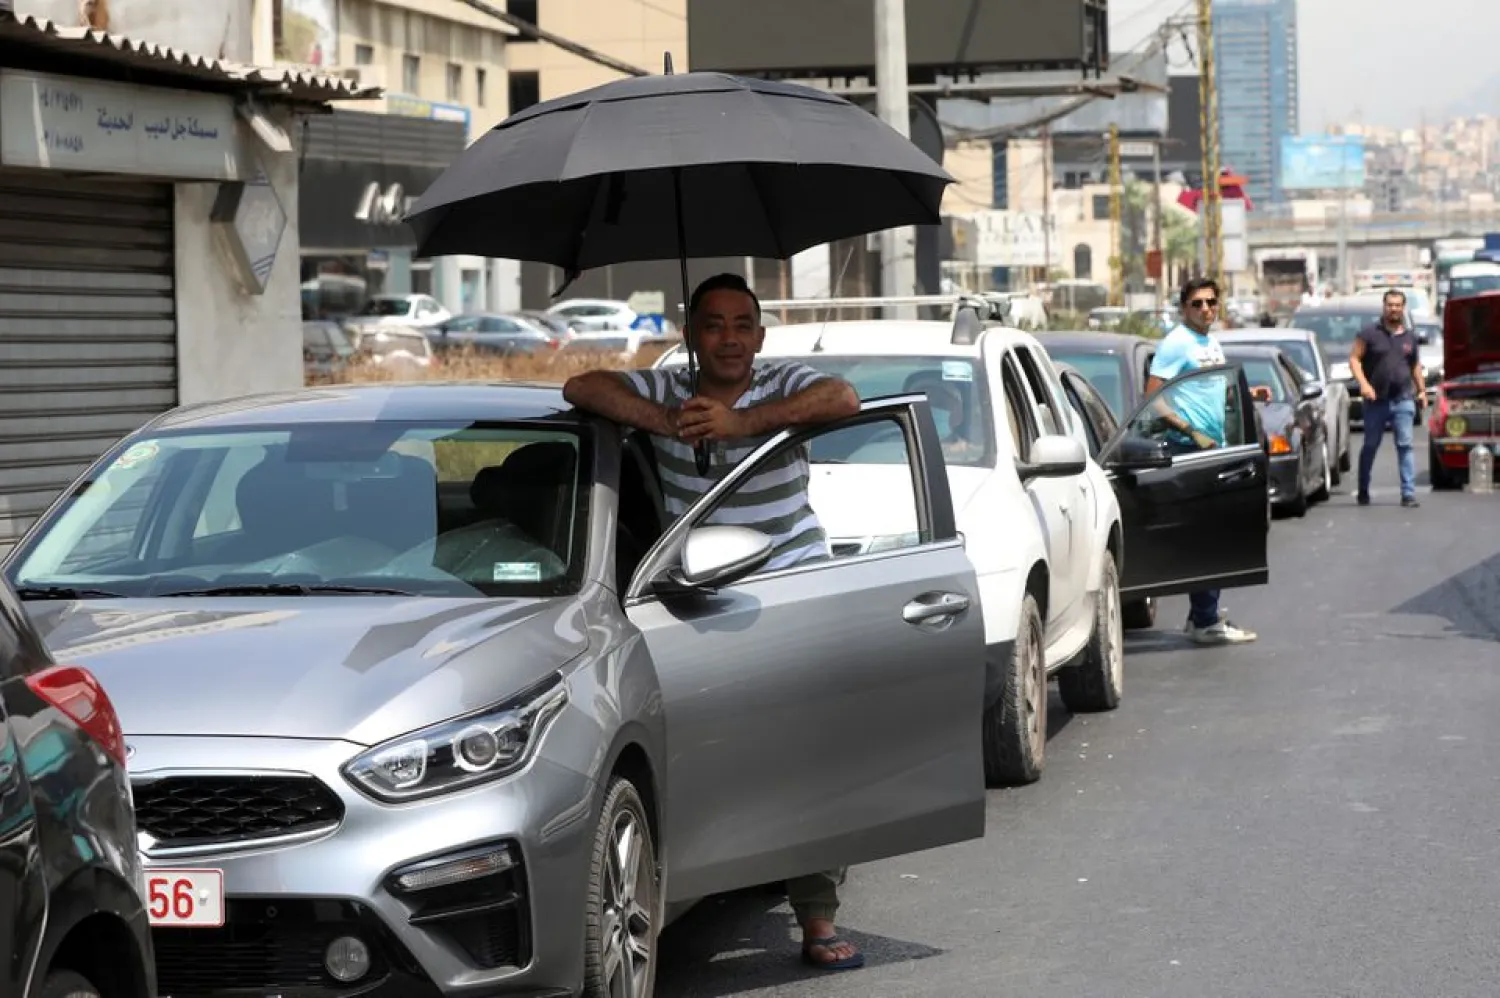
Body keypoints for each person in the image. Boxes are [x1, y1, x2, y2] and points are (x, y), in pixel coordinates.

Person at [562, 272, 868, 971]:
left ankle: (817, 918)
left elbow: (843, 399)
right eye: (713, 324)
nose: (728, 338)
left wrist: (741, 424)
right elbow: (581, 388)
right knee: (705, 751)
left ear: (759, 336)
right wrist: (668, 421)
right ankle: (691, 885)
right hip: (695, 600)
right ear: (689, 334)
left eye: (741, 324)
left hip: (792, 592)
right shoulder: (668, 389)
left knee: (806, 753)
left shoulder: (786, 381)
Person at [1145, 277, 1259, 646]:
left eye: (1212, 302)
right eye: (1197, 303)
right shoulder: (1177, 343)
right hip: (1190, 449)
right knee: (1210, 538)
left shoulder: (1210, 342)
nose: (1206, 309)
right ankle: (1206, 620)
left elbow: (1212, 391)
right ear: (1184, 308)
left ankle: (1201, 615)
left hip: (1215, 447)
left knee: (1216, 535)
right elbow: (1153, 399)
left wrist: (1246, 394)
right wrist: (1190, 432)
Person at [1351, 289, 1426, 508]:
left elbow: (1415, 366)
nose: (1393, 309)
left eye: (1398, 305)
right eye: (1390, 305)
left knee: (1405, 445)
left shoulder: (1410, 337)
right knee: (1371, 445)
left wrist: (1421, 390)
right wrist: (1364, 385)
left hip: (1403, 399)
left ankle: (1408, 494)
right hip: (1376, 401)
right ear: (1384, 307)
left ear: (1403, 308)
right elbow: (1355, 359)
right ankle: (1363, 489)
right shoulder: (1369, 333)